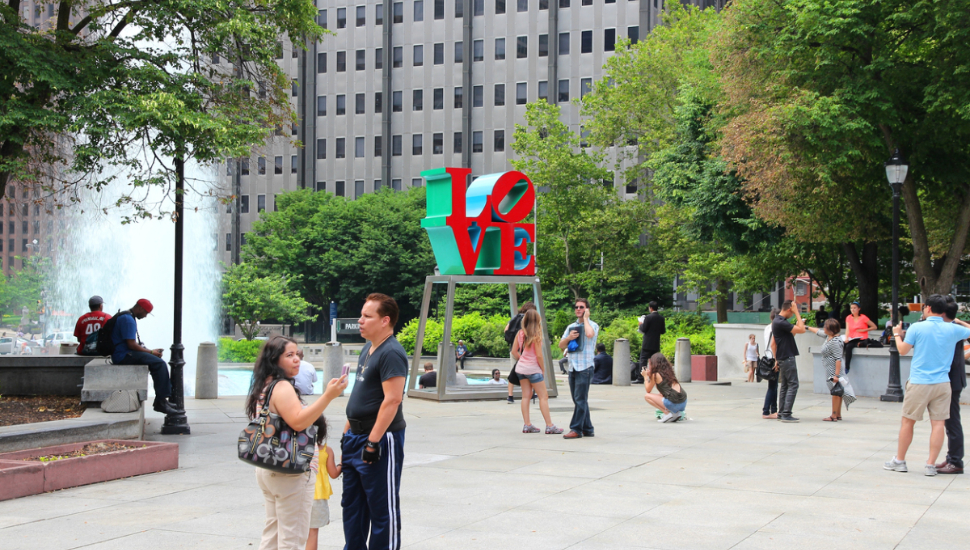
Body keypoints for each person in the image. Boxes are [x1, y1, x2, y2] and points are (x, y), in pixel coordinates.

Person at [246, 336, 347, 550]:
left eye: (297, 355)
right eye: (289, 355)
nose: (296, 360)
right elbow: (299, 422)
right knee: (292, 539)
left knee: (272, 534)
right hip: (290, 471)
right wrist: (328, 396)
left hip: (268, 467)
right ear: (274, 360)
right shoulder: (282, 387)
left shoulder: (265, 386)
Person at [341, 293, 407, 550]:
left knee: (382, 508)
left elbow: (392, 400)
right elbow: (360, 397)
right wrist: (347, 433)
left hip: (379, 440)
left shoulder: (392, 352)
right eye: (361, 315)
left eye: (367, 316)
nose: (360, 320)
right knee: (352, 506)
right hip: (355, 438)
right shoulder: (368, 348)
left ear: (385, 321)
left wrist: (373, 441)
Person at [884, 295, 970, 476]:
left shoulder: (917, 327)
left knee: (908, 421)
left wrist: (897, 334)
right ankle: (930, 465)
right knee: (938, 424)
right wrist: (958, 321)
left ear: (928, 308)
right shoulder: (952, 329)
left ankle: (900, 460)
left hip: (920, 382)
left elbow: (902, 350)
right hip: (943, 384)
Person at [111, 299, 183, 416]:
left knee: (156, 362)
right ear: (139, 308)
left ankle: (162, 400)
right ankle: (160, 402)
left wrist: (150, 352)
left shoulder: (127, 316)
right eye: (145, 313)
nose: (145, 316)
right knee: (159, 364)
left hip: (124, 353)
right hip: (123, 356)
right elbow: (131, 344)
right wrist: (150, 352)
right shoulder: (128, 320)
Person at [511, 309, 563, 434]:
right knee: (543, 397)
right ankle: (549, 426)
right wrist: (543, 369)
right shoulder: (536, 335)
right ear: (537, 320)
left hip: (521, 369)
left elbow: (514, 352)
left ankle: (527, 424)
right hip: (534, 369)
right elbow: (539, 356)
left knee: (525, 396)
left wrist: (523, 360)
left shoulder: (520, 333)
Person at [558, 298, 599, 440]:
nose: (578, 309)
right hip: (573, 366)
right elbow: (561, 345)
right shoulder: (571, 327)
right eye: (576, 307)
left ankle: (576, 429)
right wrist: (569, 337)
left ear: (587, 309)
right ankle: (588, 428)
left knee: (580, 399)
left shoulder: (592, 325)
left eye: (581, 307)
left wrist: (586, 319)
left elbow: (589, 334)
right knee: (578, 399)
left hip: (585, 366)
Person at [937, 298, 967, 474]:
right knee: (950, 421)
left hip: (952, 379)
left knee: (952, 421)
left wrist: (958, 322)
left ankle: (955, 461)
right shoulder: (954, 328)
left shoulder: (951, 329)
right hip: (954, 378)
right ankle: (952, 458)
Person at [807, 319, 856, 421]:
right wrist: (806, 327)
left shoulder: (835, 342)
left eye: (826, 327)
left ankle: (834, 415)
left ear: (831, 330)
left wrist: (836, 375)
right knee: (838, 391)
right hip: (830, 369)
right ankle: (837, 414)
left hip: (834, 371)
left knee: (835, 392)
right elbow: (818, 331)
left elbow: (838, 359)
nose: (824, 328)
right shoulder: (829, 337)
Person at [306, 415, 342, 550]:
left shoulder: (299, 450)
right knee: (312, 532)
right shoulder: (326, 451)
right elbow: (333, 474)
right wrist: (341, 464)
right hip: (317, 497)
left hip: (299, 494)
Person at [772, 300, 806, 423]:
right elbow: (802, 330)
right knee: (793, 384)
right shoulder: (781, 322)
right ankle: (786, 413)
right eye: (792, 312)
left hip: (783, 356)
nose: (792, 315)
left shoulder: (778, 321)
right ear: (789, 310)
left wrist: (798, 324)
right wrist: (797, 313)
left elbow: (794, 333)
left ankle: (782, 412)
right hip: (787, 357)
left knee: (785, 385)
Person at [505, 302, 536, 404]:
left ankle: (510, 396)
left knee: (513, 372)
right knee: (529, 371)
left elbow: (506, 329)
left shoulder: (515, 318)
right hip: (525, 350)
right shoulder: (528, 320)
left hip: (514, 348)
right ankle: (530, 393)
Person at [641, 353, 687, 423]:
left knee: (647, 396)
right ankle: (675, 413)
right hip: (683, 402)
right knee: (661, 395)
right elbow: (662, 391)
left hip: (674, 403)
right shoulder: (669, 372)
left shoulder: (655, 374)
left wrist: (645, 377)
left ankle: (667, 413)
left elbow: (648, 390)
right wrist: (650, 376)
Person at [843, 302, 877, 374]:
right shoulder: (848, 318)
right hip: (852, 338)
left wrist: (864, 330)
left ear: (859, 309)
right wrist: (846, 338)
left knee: (849, 347)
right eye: (851, 308)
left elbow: (874, 326)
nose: (853, 309)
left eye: (855, 308)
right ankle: (838, 365)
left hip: (861, 338)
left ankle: (847, 367)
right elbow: (847, 329)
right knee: (842, 345)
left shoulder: (863, 317)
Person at [761, 308, 780, 419]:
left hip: (768, 358)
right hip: (773, 359)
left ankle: (774, 410)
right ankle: (766, 411)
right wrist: (777, 360)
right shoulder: (775, 328)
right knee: (772, 387)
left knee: (773, 385)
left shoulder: (767, 327)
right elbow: (774, 345)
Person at [638, 301, 665, 374]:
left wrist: (640, 324)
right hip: (656, 343)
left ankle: (641, 377)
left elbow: (643, 329)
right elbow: (663, 331)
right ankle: (655, 376)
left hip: (647, 343)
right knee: (655, 360)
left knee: (643, 359)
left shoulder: (648, 317)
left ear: (651, 308)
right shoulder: (661, 318)